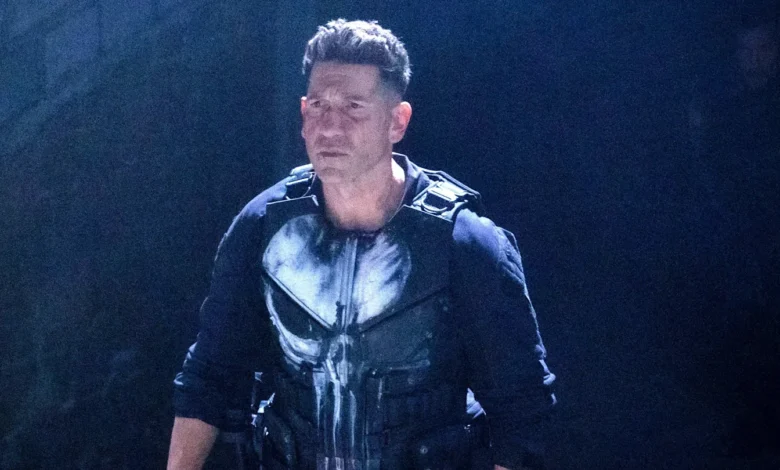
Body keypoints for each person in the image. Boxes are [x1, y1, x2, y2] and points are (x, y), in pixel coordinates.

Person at [167, 19, 556, 470]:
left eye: (353, 107)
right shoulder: (262, 227)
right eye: (318, 106)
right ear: (303, 113)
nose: (330, 127)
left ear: (397, 121)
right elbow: (209, 378)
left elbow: (522, 411)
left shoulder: (464, 245)